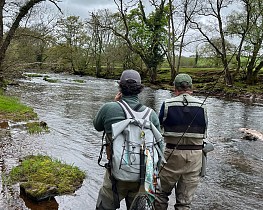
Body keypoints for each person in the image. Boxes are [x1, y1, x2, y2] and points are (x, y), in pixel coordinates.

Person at [93, 69, 162, 210]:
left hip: (115, 175)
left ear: (120, 87)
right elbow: (159, 147)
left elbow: (97, 126)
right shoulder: (152, 114)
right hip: (142, 176)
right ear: (140, 90)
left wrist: (114, 103)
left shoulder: (109, 108)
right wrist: (155, 174)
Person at [154, 73, 208, 210]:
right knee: (185, 202)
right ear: (191, 88)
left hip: (171, 154)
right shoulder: (203, 106)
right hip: (195, 158)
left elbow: (157, 127)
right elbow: (204, 131)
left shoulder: (167, 104)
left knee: (161, 194)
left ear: (175, 88)